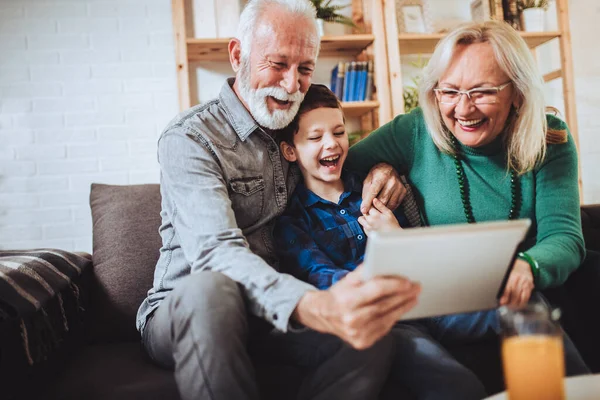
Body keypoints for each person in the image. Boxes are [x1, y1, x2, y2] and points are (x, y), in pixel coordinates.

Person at [135, 1, 421, 399]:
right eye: (278, 64)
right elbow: (215, 252)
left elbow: (344, 159)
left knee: (370, 333)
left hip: (269, 315)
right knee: (211, 290)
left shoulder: (295, 128)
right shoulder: (190, 138)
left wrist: (382, 170)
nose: (291, 85)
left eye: (305, 69)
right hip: (188, 309)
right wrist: (311, 305)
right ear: (238, 55)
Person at [344, 19, 590, 397]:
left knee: (536, 303)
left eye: (481, 91)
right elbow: (330, 166)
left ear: (517, 93)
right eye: (450, 92)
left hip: (516, 291)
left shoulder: (548, 138)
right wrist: (381, 167)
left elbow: (565, 236)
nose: (463, 108)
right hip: (437, 296)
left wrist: (528, 266)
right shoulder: (414, 132)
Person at [273, 84, 489, 399]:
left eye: (338, 132)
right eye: (315, 138)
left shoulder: (374, 188)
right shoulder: (293, 224)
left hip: (427, 298)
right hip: (387, 320)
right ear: (290, 151)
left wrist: (396, 237)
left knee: (518, 302)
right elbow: (325, 281)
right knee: (460, 386)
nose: (332, 144)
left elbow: (421, 256)